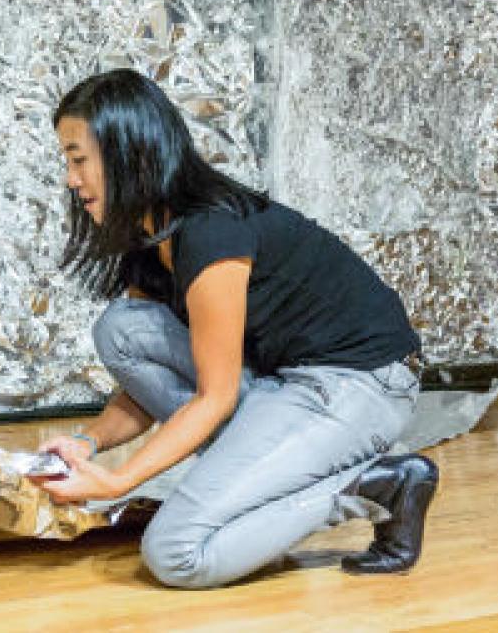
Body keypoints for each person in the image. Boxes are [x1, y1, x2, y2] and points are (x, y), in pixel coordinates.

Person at [36, 68, 440, 589]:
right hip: (285, 382)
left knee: (176, 553)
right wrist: (86, 444)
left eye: (79, 160)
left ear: (128, 154)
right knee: (122, 329)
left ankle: (376, 485)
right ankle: (261, 475)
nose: (71, 180)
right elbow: (143, 390)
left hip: (361, 385)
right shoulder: (149, 237)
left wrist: (117, 481)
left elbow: (215, 397)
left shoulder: (209, 233)